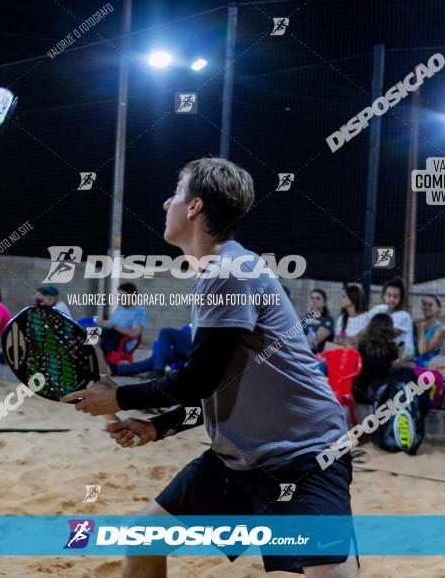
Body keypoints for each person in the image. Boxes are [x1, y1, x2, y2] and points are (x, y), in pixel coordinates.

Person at [62, 157, 357, 577]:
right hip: (239, 462)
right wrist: (157, 426)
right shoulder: (221, 269)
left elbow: (198, 378)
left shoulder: (228, 271)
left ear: (195, 207)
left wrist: (121, 395)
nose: (167, 203)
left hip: (305, 459)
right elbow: (219, 384)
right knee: (144, 539)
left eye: (176, 195)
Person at [353, 313, 400, 405]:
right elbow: (394, 368)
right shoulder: (392, 348)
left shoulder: (362, 345)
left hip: (361, 393)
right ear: (389, 328)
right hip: (382, 397)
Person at [114, 327, 192, 378]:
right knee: (157, 358)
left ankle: (158, 370)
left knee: (165, 332)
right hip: (189, 349)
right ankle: (117, 369)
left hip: (197, 346)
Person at [370, 277, 414, 364]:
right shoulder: (379, 309)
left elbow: (389, 335)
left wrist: (371, 332)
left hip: (402, 357)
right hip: (385, 352)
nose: (391, 299)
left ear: (400, 299)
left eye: (395, 297)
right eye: (389, 295)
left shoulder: (404, 315)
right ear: (383, 296)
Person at [97, 282, 146, 355]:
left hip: (122, 343)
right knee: (89, 331)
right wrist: (104, 323)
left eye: (122, 296)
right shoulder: (119, 309)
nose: (119, 298)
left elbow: (135, 333)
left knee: (96, 341)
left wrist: (114, 327)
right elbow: (111, 324)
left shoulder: (139, 311)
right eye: (118, 296)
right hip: (109, 337)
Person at [333, 284, 371, 348]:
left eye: (344, 296)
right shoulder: (341, 318)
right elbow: (337, 338)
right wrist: (337, 339)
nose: (341, 299)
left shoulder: (366, 317)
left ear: (352, 298)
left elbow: (367, 340)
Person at [414, 294, 445, 368]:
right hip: (413, 360)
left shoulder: (440, 329)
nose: (426, 307)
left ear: (438, 308)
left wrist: (420, 329)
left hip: (428, 364)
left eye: (430, 305)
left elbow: (422, 351)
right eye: (424, 304)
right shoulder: (415, 323)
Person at [303, 289, 335, 353]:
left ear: (324, 303)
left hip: (320, 357)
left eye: (318, 298)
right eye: (312, 298)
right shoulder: (305, 318)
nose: (314, 301)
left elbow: (315, 341)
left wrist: (302, 338)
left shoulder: (328, 320)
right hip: (304, 354)